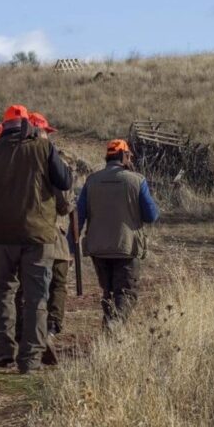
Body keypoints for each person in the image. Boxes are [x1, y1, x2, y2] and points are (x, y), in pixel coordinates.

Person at [0, 104, 72, 374]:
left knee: (3, 291)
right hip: (38, 236)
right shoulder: (43, 148)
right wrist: (48, 148)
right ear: (27, 125)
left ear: (4, 126)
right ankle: (30, 359)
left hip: (0, 237)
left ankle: (3, 351)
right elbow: (65, 181)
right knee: (36, 297)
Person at [76, 139, 159, 329]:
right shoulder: (137, 180)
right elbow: (151, 216)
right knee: (126, 293)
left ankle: (110, 331)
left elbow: (78, 216)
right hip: (126, 247)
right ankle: (115, 323)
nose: (131, 158)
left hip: (98, 249)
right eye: (129, 155)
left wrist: (71, 247)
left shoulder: (91, 180)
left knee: (109, 292)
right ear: (123, 156)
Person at [15, 112, 74, 345]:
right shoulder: (53, 161)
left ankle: (22, 329)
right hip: (51, 236)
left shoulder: (13, 159)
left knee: (25, 285)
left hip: (20, 234)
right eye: (46, 132)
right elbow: (63, 206)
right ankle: (49, 328)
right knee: (57, 283)